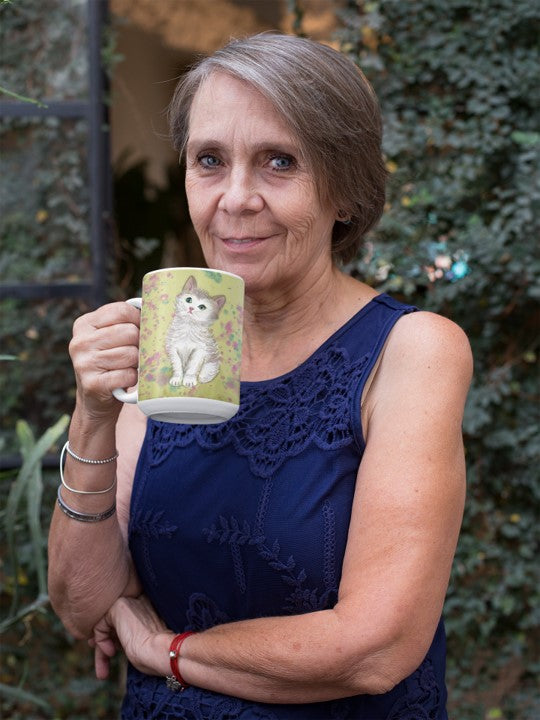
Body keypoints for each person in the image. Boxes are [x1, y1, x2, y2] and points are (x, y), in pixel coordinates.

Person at [48, 32, 472, 720]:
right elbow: (82, 604)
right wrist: (95, 411)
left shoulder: (410, 350)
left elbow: (375, 646)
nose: (236, 198)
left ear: (345, 192)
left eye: (279, 162)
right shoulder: (167, 341)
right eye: (209, 160)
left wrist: (168, 653)